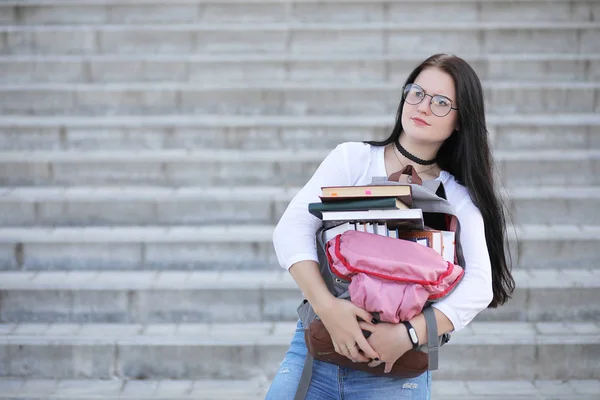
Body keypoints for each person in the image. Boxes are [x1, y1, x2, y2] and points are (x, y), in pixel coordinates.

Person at [265, 53, 515, 400]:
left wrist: (409, 335)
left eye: (441, 102)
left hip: (396, 372)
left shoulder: (457, 197)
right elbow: (291, 229)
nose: (423, 107)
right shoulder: (352, 158)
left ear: (461, 120)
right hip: (317, 352)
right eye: (416, 93)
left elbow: (480, 286)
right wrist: (329, 309)